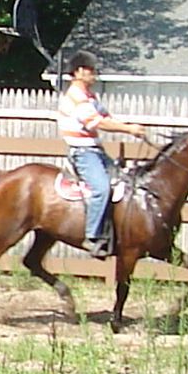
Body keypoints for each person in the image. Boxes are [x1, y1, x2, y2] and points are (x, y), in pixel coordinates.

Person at [56, 50, 145, 258]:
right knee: (101, 188)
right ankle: (92, 236)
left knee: (124, 182)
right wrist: (129, 129)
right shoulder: (76, 97)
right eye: (91, 70)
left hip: (95, 150)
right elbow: (99, 123)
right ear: (78, 72)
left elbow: (106, 116)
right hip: (83, 153)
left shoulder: (90, 96)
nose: (94, 74)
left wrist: (127, 125)